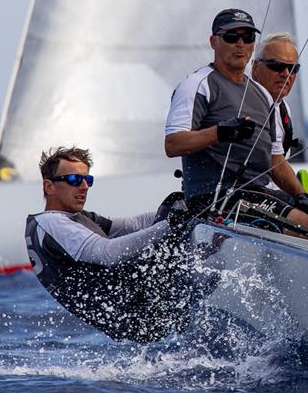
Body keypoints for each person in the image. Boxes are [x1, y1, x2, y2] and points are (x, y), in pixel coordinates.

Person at [25, 146, 208, 343]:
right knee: (193, 249)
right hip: (136, 313)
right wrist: (169, 224)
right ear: (49, 186)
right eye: (74, 180)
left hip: (139, 308)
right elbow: (107, 253)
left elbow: (133, 226)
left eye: (88, 180)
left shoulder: (70, 219)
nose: (84, 186)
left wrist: (178, 209)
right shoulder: (53, 223)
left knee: (172, 208)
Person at [164, 9, 308, 232]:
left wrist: (301, 195)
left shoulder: (262, 95)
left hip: (254, 194)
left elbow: (275, 160)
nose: (240, 44)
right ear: (214, 42)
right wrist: (219, 133)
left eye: (248, 37)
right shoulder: (197, 85)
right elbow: (173, 144)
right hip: (213, 198)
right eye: (231, 37)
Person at [250, 32, 308, 228]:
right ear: (255, 68)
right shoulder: (251, 104)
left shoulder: (282, 107)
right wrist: (301, 197)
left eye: (293, 68)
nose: (286, 74)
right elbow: (275, 163)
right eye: (276, 66)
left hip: (272, 195)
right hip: (248, 195)